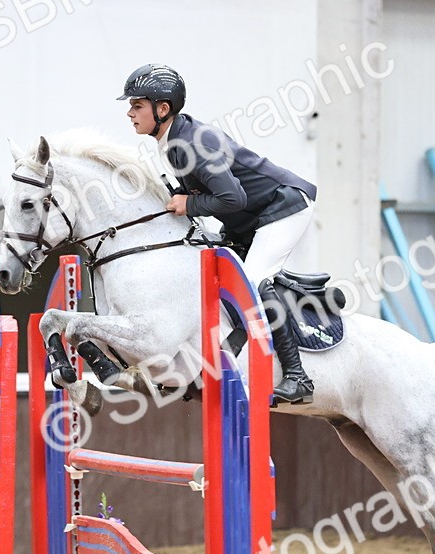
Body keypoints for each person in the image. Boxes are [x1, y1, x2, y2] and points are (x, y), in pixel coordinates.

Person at [120, 63, 317, 405]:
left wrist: (188, 205)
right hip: (249, 215)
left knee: (252, 282)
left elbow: (233, 197)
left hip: (283, 204)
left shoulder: (192, 142)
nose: (130, 113)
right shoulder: (170, 139)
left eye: (137, 105)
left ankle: (298, 375)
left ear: (162, 108)